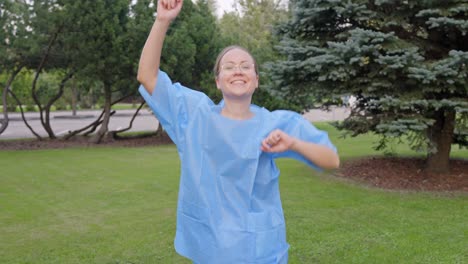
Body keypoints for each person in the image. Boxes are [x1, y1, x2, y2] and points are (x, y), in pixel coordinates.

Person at [137, 0, 340, 263]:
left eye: (246, 66)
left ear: (256, 80)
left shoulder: (276, 123)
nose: (238, 70)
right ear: (218, 80)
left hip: (262, 250)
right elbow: (148, 76)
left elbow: (331, 160)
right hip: (212, 248)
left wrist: (294, 144)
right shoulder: (194, 115)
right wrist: (162, 20)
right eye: (229, 66)